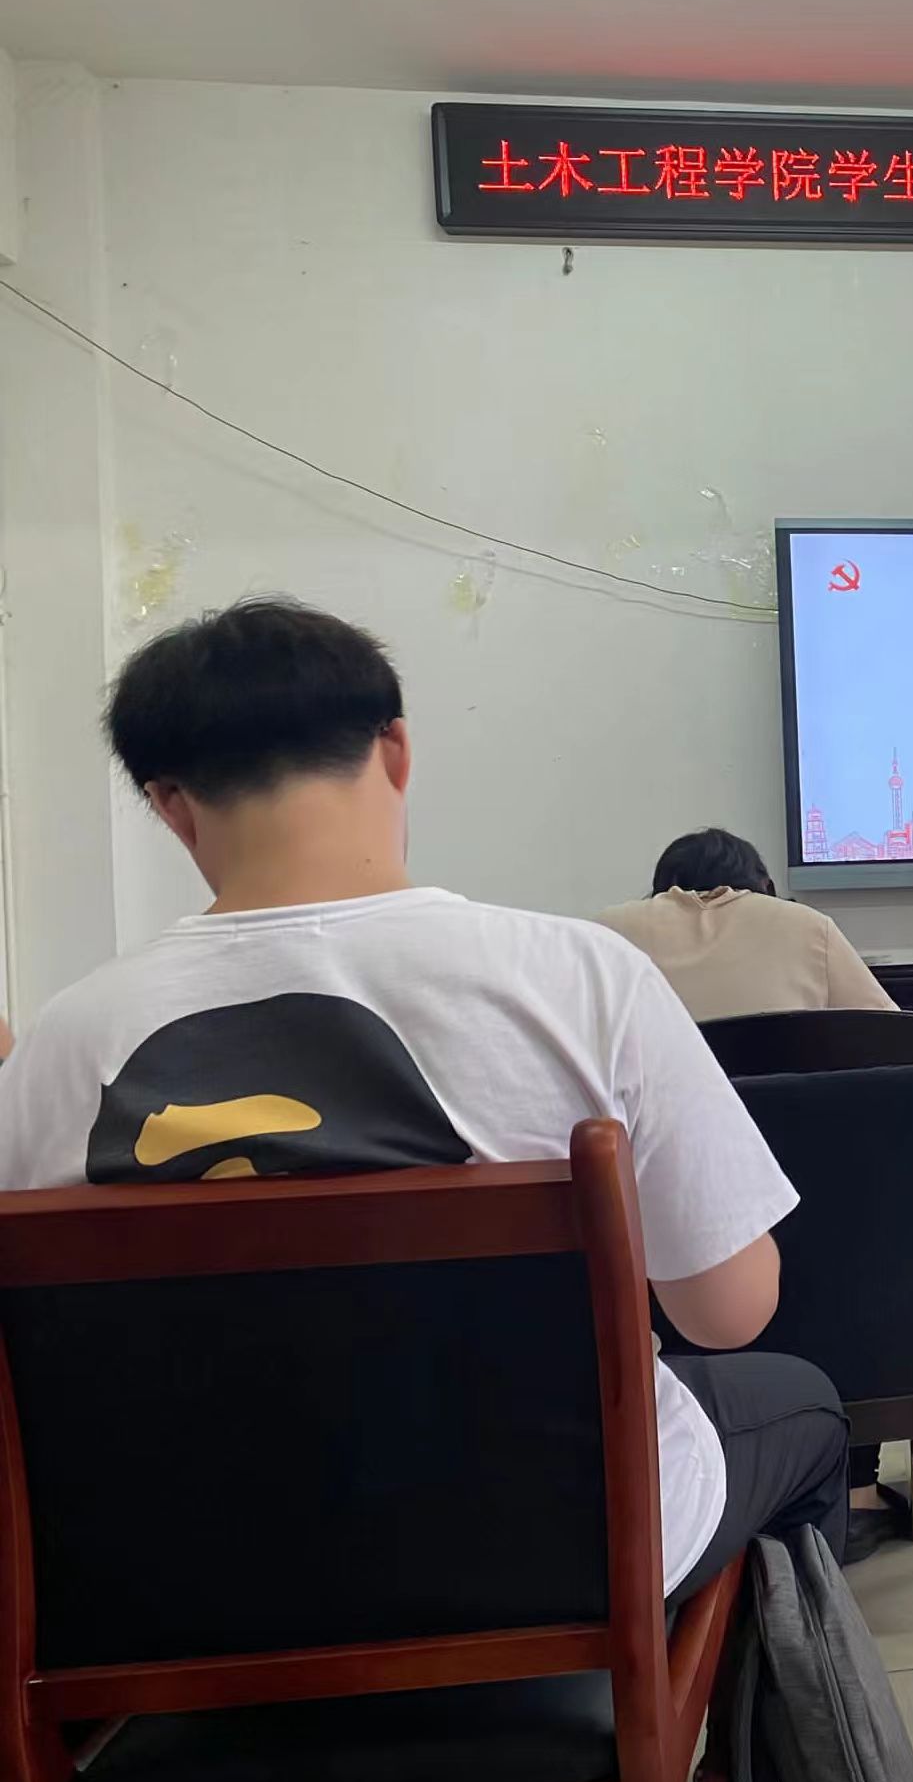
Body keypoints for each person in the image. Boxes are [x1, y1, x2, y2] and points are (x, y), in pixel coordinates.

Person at [0, 599, 848, 1604]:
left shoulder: (60, 1046)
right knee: (802, 1410)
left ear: (170, 804)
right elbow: (728, 1311)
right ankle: (663, 1704)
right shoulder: (581, 979)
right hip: (556, 1552)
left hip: (178, 1589)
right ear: (396, 751)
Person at [599, 829, 907, 1561]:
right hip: (817, 1252)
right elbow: (905, 1056)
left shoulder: (606, 943)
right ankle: (857, 1484)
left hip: (656, 1263)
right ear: (760, 887)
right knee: (858, 1233)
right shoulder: (807, 931)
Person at [597, 828, 894, 1021]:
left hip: (649, 1104)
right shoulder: (808, 926)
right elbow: (890, 1037)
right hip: (781, 1100)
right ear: (766, 886)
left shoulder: (608, 931)